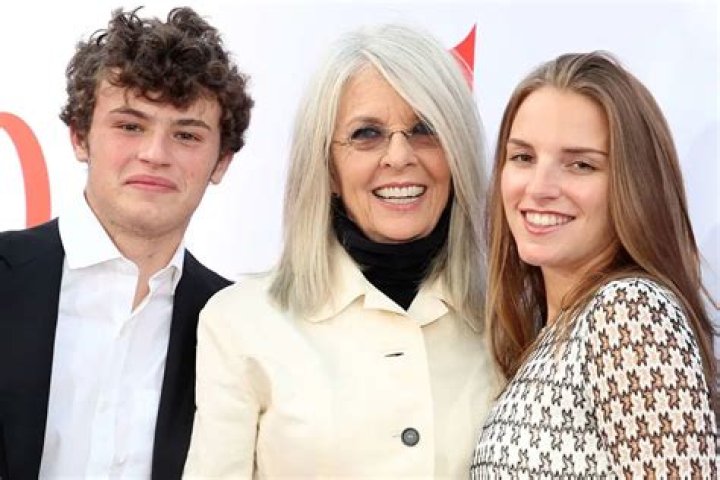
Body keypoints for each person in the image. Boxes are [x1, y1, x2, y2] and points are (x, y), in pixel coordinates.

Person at [183, 24, 502, 478]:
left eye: (425, 129)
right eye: (367, 133)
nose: (399, 156)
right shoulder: (240, 322)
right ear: (328, 168)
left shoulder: (509, 320)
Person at [0, 7, 252, 479]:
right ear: (80, 138)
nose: (155, 154)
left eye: (186, 135)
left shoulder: (239, 324)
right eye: (130, 126)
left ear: (221, 162)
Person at [470, 51, 717, 478]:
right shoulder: (557, 330)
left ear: (633, 185)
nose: (540, 188)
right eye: (523, 157)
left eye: (580, 165)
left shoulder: (629, 314)